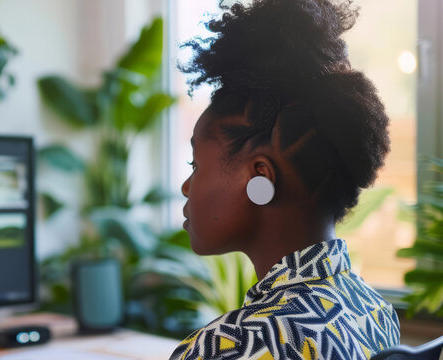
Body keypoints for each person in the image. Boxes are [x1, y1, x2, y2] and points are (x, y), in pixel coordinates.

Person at [170, 1, 400, 359]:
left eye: (196, 165)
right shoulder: (375, 313)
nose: (187, 186)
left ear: (260, 176)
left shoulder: (231, 347)